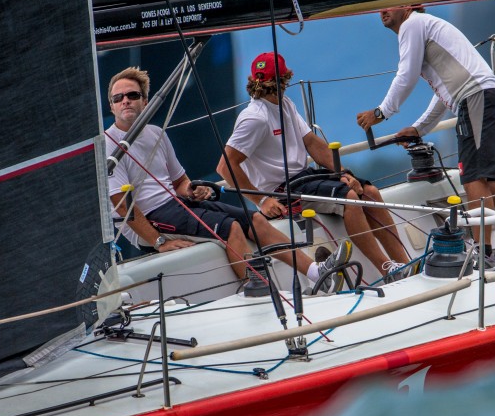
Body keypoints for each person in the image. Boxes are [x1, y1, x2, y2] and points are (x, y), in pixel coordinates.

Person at [105, 66, 351, 293]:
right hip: (153, 215)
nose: (125, 100)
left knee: (255, 219)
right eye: (118, 98)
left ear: (145, 101)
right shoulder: (109, 146)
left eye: (133, 95)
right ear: (111, 107)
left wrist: (194, 191)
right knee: (231, 228)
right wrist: (158, 242)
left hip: (177, 206)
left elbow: (180, 182)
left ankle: (316, 272)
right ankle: (260, 292)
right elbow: (122, 206)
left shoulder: (156, 133)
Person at [356, 5, 495, 264]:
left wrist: (380, 112)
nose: (383, 10)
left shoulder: (412, 24)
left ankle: (483, 254)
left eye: (391, 4)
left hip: (476, 98)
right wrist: (419, 128)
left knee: (474, 178)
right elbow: (443, 92)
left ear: (408, 6)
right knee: (492, 180)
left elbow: (406, 76)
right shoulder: (425, 25)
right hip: (489, 96)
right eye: (380, 6)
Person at [218, 53, 413, 281]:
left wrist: (344, 174)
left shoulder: (285, 104)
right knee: (349, 198)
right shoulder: (254, 118)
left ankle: (406, 263)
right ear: (283, 80)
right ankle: (387, 270)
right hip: (281, 191)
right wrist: (261, 200)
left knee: (367, 191)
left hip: (304, 178)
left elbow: (311, 142)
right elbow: (225, 166)